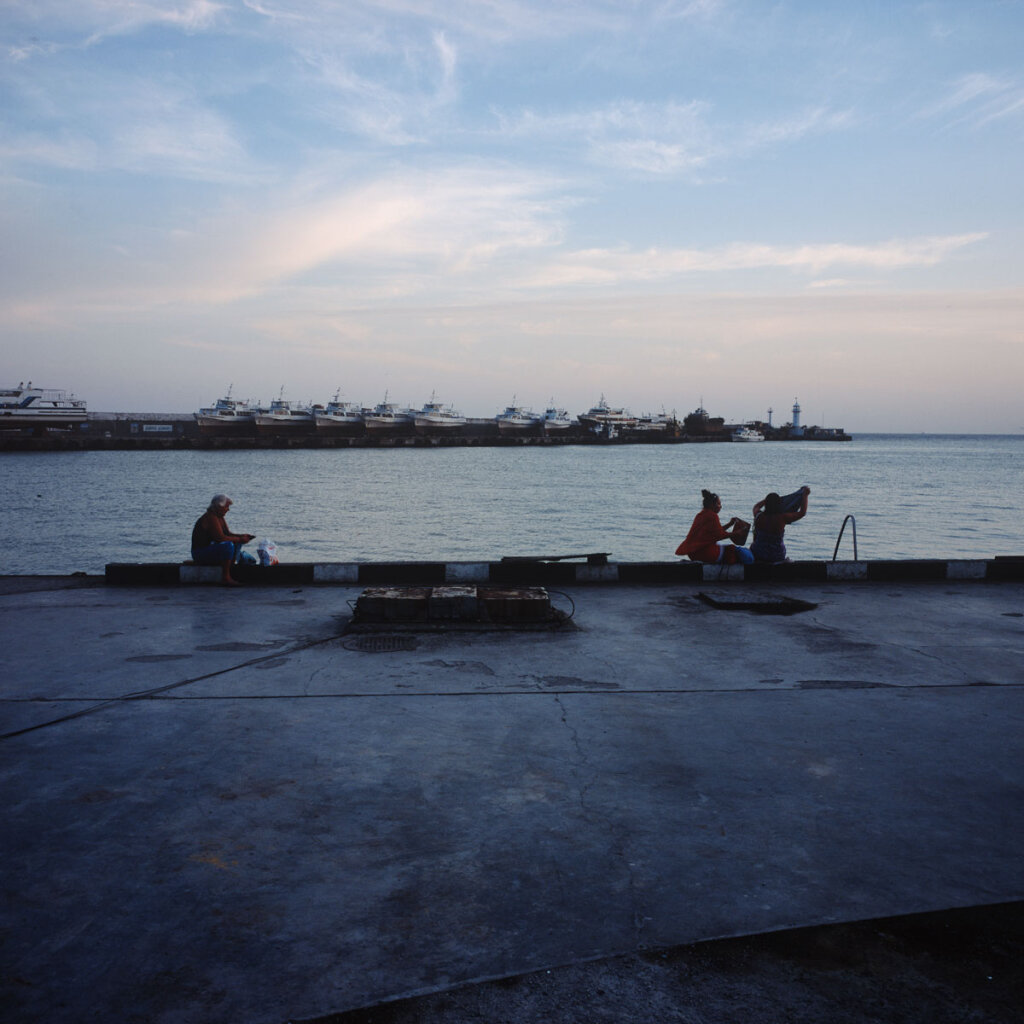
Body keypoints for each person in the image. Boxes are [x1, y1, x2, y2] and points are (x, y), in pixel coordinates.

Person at [675, 489, 754, 565]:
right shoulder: (712, 516)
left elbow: (714, 533)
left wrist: (730, 524)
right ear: (713, 505)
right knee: (731, 549)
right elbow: (719, 535)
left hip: (692, 553)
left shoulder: (700, 515)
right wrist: (736, 533)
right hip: (703, 553)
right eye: (719, 504)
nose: (720, 507)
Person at [191, 494, 254, 586]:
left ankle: (231, 569)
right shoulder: (210, 517)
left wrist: (242, 536)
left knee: (236, 543)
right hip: (199, 553)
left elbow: (227, 534)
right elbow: (220, 538)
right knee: (228, 546)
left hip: (209, 549)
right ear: (219, 506)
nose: (228, 509)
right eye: (227, 506)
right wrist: (240, 539)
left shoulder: (219, 517)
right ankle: (226, 577)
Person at [750, 486, 810, 563]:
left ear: (766, 504)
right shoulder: (783, 518)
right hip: (777, 555)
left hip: (759, 553)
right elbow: (802, 513)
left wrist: (767, 500)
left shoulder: (759, 516)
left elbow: (756, 506)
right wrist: (805, 495)